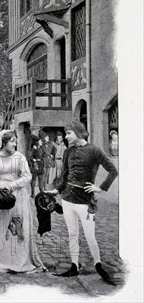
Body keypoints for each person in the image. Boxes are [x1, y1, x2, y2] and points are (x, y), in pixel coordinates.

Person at [46, 121, 118, 285]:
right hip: (67, 199)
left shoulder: (94, 150)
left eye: (68, 133)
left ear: (78, 132)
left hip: (85, 201)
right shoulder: (68, 152)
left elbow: (113, 170)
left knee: (90, 235)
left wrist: (100, 188)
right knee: (72, 234)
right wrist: (57, 191)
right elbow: (64, 175)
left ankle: (98, 265)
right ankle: (74, 266)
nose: (66, 136)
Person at [0, 130, 45, 273]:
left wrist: (12, 185)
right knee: (2, 226)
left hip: (19, 196)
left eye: (15, 140)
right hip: (2, 197)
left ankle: (19, 260)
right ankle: (2, 259)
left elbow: (27, 177)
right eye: (12, 141)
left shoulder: (19, 158)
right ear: (3, 143)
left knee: (17, 226)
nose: (15, 143)